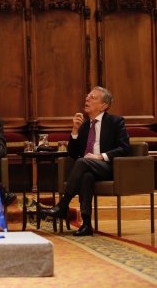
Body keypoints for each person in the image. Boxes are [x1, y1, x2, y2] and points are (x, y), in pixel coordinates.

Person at [40, 87, 130, 236]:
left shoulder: (115, 122)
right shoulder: (84, 126)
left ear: (104, 106)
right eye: (87, 96)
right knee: (86, 175)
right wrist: (75, 130)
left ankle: (63, 204)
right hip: (87, 167)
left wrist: (100, 156)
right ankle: (87, 224)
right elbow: (73, 154)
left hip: (109, 168)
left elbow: (124, 148)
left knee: (83, 162)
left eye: (93, 97)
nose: (87, 99)